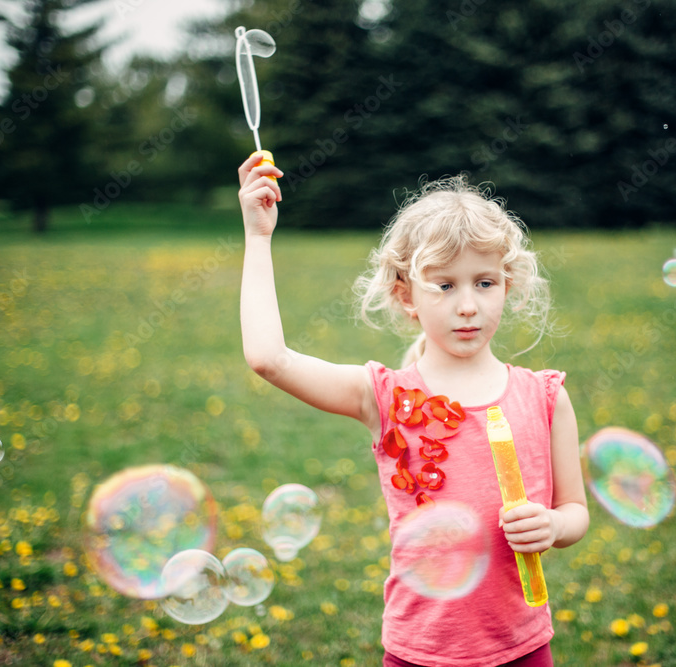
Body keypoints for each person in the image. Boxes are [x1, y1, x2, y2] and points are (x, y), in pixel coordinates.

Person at [238, 153, 589, 667]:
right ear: (406, 297)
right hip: (420, 653)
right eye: (444, 285)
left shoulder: (545, 396)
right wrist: (258, 238)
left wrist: (556, 528)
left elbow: (575, 511)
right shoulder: (385, 398)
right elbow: (269, 359)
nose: (467, 305)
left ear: (507, 286)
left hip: (523, 647)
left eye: (484, 282)